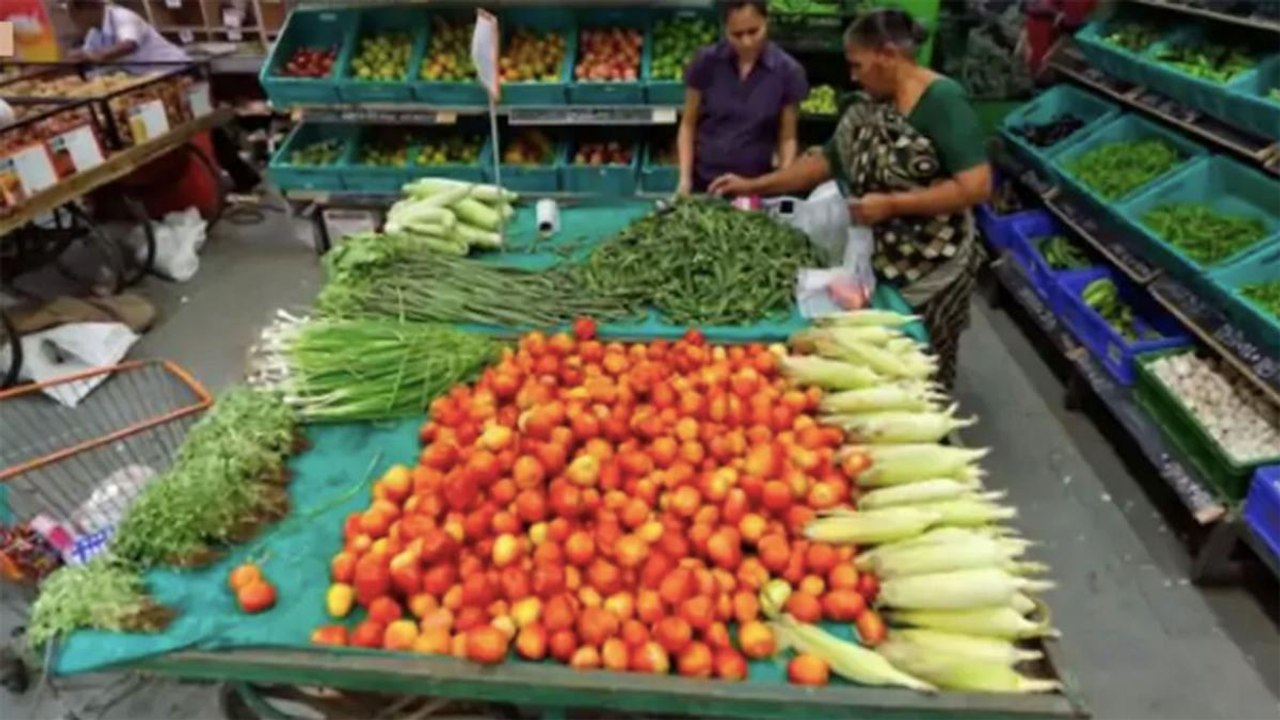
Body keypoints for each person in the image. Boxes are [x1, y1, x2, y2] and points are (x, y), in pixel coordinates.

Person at [710, 9, 992, 389]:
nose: (853, 75)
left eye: (858, 65)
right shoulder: (867, 107)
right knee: (882, 361)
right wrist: (753, 185)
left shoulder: (943, 101)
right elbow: (824, 163)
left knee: (925, 368)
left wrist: (893, 206)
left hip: (934, 267)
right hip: (882, 261)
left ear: (888, 55)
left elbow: (975, 186)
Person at [677, 1, 808, 195]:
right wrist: (684, 180)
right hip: (704, 183)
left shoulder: (787, 71)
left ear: (767, 21)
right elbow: (688, 125)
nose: (747, 41)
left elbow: (787, 138)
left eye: (754, 31)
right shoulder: (706, 62)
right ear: (725, 29)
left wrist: (781, 182)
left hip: (756, 187)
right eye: (737, 35)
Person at [63, 0, 189, 64]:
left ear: (89, 10)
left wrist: (98, 55)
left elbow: (129, 45)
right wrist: (79, 56)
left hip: (173, 69)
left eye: (75, 16)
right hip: (143, 77)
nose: (75, 21)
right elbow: (87, 52)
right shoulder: (95, 32)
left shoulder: (122, 16)